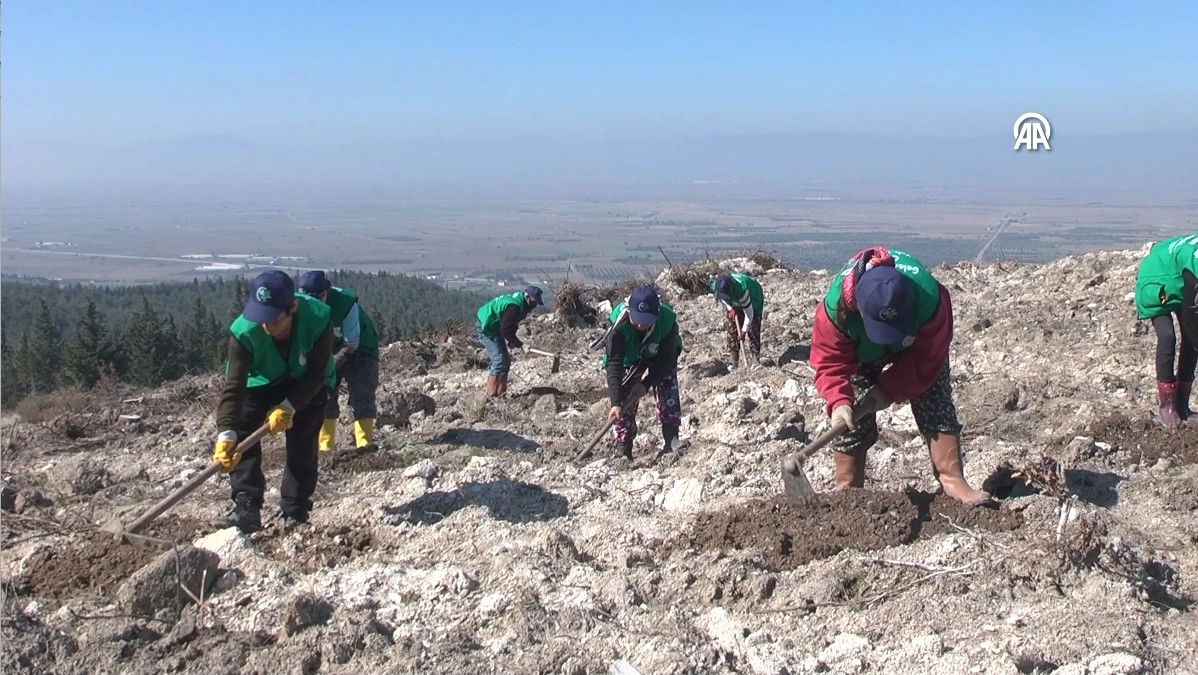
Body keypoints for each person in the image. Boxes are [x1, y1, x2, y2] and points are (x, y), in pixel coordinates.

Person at [809, 246, 992, 506]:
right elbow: (830, 362)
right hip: (862, 352)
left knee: (935, 397)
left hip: (916, 346)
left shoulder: (930, 297)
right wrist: (839, 401)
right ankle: (847, 491)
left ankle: (953, 481)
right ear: (859, 309)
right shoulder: (835, 311)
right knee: (851, 415)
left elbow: (928, 357)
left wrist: (887, 390)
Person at [212, 270, 336, 532]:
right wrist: (226, 432)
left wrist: (289, 406)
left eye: (273, 318)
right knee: (243, 426)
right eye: (261, 318)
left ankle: (295, 509)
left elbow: (317, 374)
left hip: (303, 383)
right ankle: (246, 506)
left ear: (292, 306)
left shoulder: (318, 318)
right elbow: (234, 387)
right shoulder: (243, 332)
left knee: (304, 439)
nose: (266, 325)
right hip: (260, 383)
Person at [296, 270, 381, 451]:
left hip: (362, 346)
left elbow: (352, 342)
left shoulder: (345, 303)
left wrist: (330, 366)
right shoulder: (297, 306)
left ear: (326, 292)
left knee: (362, 389)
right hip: (327, 347)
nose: (317, 305)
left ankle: (364, 443)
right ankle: (326, 446)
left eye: (320, 298)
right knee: (324, 392)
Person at [604, 285, 684, 459]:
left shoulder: (667, 320)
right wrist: (615, 402)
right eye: (637, 319)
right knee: (625, 393)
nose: (641, 324)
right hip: (629, 360)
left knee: (667, 383)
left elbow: (667, 358)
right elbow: (614, 364)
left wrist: (646, 384)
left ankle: (671, 439)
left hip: (659, 356)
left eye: (646, 320)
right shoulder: (619, 325)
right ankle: (624, 448)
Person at [1134, 234, 1198, 426]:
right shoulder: (1196, 262)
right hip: (1156, 279)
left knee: (1190, 341)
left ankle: (1182, 405)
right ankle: (1167, 406)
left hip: (1179, 281)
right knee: (1168, 337)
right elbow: (1192, 316)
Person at [475, 286, 544, 397]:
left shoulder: (521, 304)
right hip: (486, 326)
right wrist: (519, 344)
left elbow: (511, 324)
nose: (535, 305)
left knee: (506, 361)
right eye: (534, 301)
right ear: (527, 297)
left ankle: (501, 395)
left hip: (495, 325)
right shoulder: (515, 306)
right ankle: (491, 396)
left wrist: (513, 342)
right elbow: (506, 329)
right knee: (499, 361)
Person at [711, 272, 765, 367]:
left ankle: (755, 360)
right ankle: (734, 361)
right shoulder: (716, 286)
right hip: (735, 301)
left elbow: (749, 314)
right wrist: (731, 308)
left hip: (754, 299)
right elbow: (723, 300)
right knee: (732, 327)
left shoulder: (742, 290)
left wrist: (744, 332)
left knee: (753, 330)